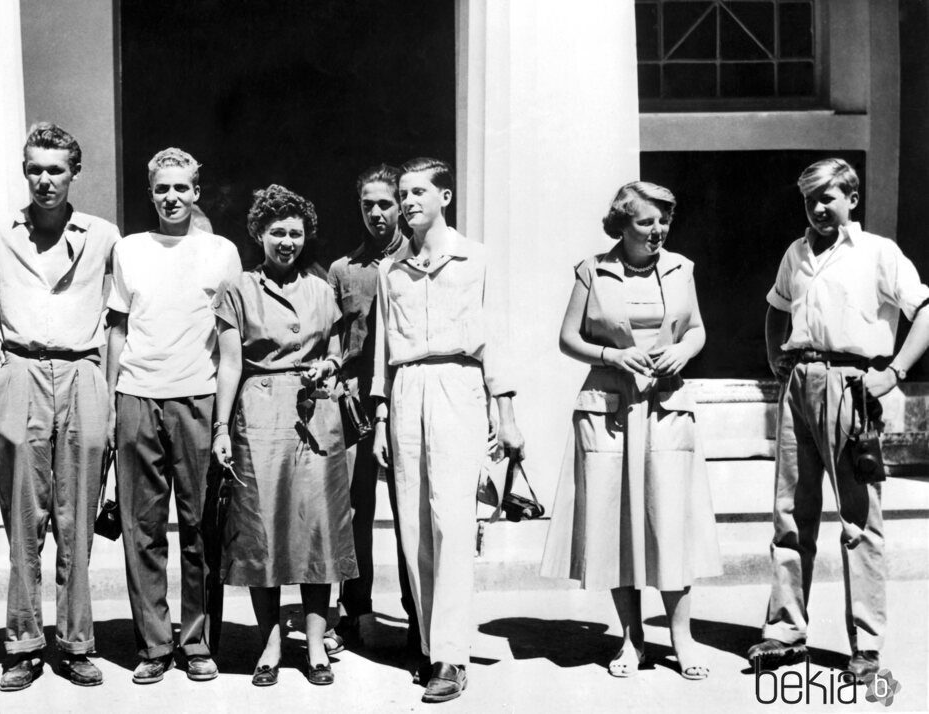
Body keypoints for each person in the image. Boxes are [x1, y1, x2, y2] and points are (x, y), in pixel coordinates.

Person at [0, 122, 118, 690]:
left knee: (77, 520)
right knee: (24, 519)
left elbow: (126, 305)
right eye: (35, 169)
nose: (45, 180)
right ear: (26, 172)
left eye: (56, 169)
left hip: (83, 373)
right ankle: (21, 643)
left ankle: (74, 644)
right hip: (21, 373)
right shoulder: (0, 232)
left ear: (75, 173)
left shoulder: (104, 235)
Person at [748, 158, 929, 678]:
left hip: (852, 387)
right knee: (790, 514)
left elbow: (924, 310)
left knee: (859, 520)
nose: (819, 208)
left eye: (829, 197)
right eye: (810, 199)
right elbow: (776, 307)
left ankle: (866, 645)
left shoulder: (878, 253)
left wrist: (892, 373)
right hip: (798, 384)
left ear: (852, 198)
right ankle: (784, 633)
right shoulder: (796, 253)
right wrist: (775, 360)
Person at [540, 181, 722, 681]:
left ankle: (682, 639)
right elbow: (567, 337)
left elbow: (697, 329)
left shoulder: (681, 268)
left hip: (666, 405)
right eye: (647, 221)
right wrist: (614, 354)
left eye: (664, 220)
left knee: (669, 522)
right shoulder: (592, 270)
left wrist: (684, 351)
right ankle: (630, 638)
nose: (658, 230)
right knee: (617, 524)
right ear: (622, 222)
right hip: (609, 408)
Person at [371, 157, 525, 703]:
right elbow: (382, 349)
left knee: (451, 521)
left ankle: (453, 656)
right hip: (407, 387)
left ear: (445, 197)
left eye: (419, 192)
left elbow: (496, 339)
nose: (409, 201)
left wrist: (504, 413)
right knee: (413, 525)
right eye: (403, 193)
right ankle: (433, 645)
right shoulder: (391, 270)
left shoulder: (476, 259)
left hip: (459, 385)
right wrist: (383, 415)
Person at [211, 184, 358, 687]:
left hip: (317, 415)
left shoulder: (322, 289)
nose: (287, 241)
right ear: (259, 234)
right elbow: (230, 364)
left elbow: (338, 349)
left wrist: (331, 365)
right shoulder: (237, 290)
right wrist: (220, 428)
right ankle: (270, 643)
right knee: (264, 530)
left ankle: (316, 645)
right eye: (277, 232)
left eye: (295, 232)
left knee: (317, 527)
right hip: (258, 412)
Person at [106, 147, 240, 684]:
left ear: (196, 192)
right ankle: (154, 645)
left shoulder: (221, 252)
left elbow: (230, 339)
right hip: (137, 393)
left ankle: (198, 641)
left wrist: (224, 420)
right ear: (151, 192)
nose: (172, 197)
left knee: (200, 526)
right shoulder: (129, 249)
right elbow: (117, 328)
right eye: (162, 188)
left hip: (198, 398)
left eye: (181, 187)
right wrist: (116, 400)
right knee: (141, 527)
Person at [324, 164, 419, 656]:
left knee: (410, 512)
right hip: (358, 405)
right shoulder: (346, 269)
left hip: (409, 395)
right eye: (368, 204)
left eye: (385, 203)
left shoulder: (421, 259)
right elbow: (343, 341)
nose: (377, 212)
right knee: (355, 511)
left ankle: (418, 618)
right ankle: (355, 612)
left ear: (401, 203)